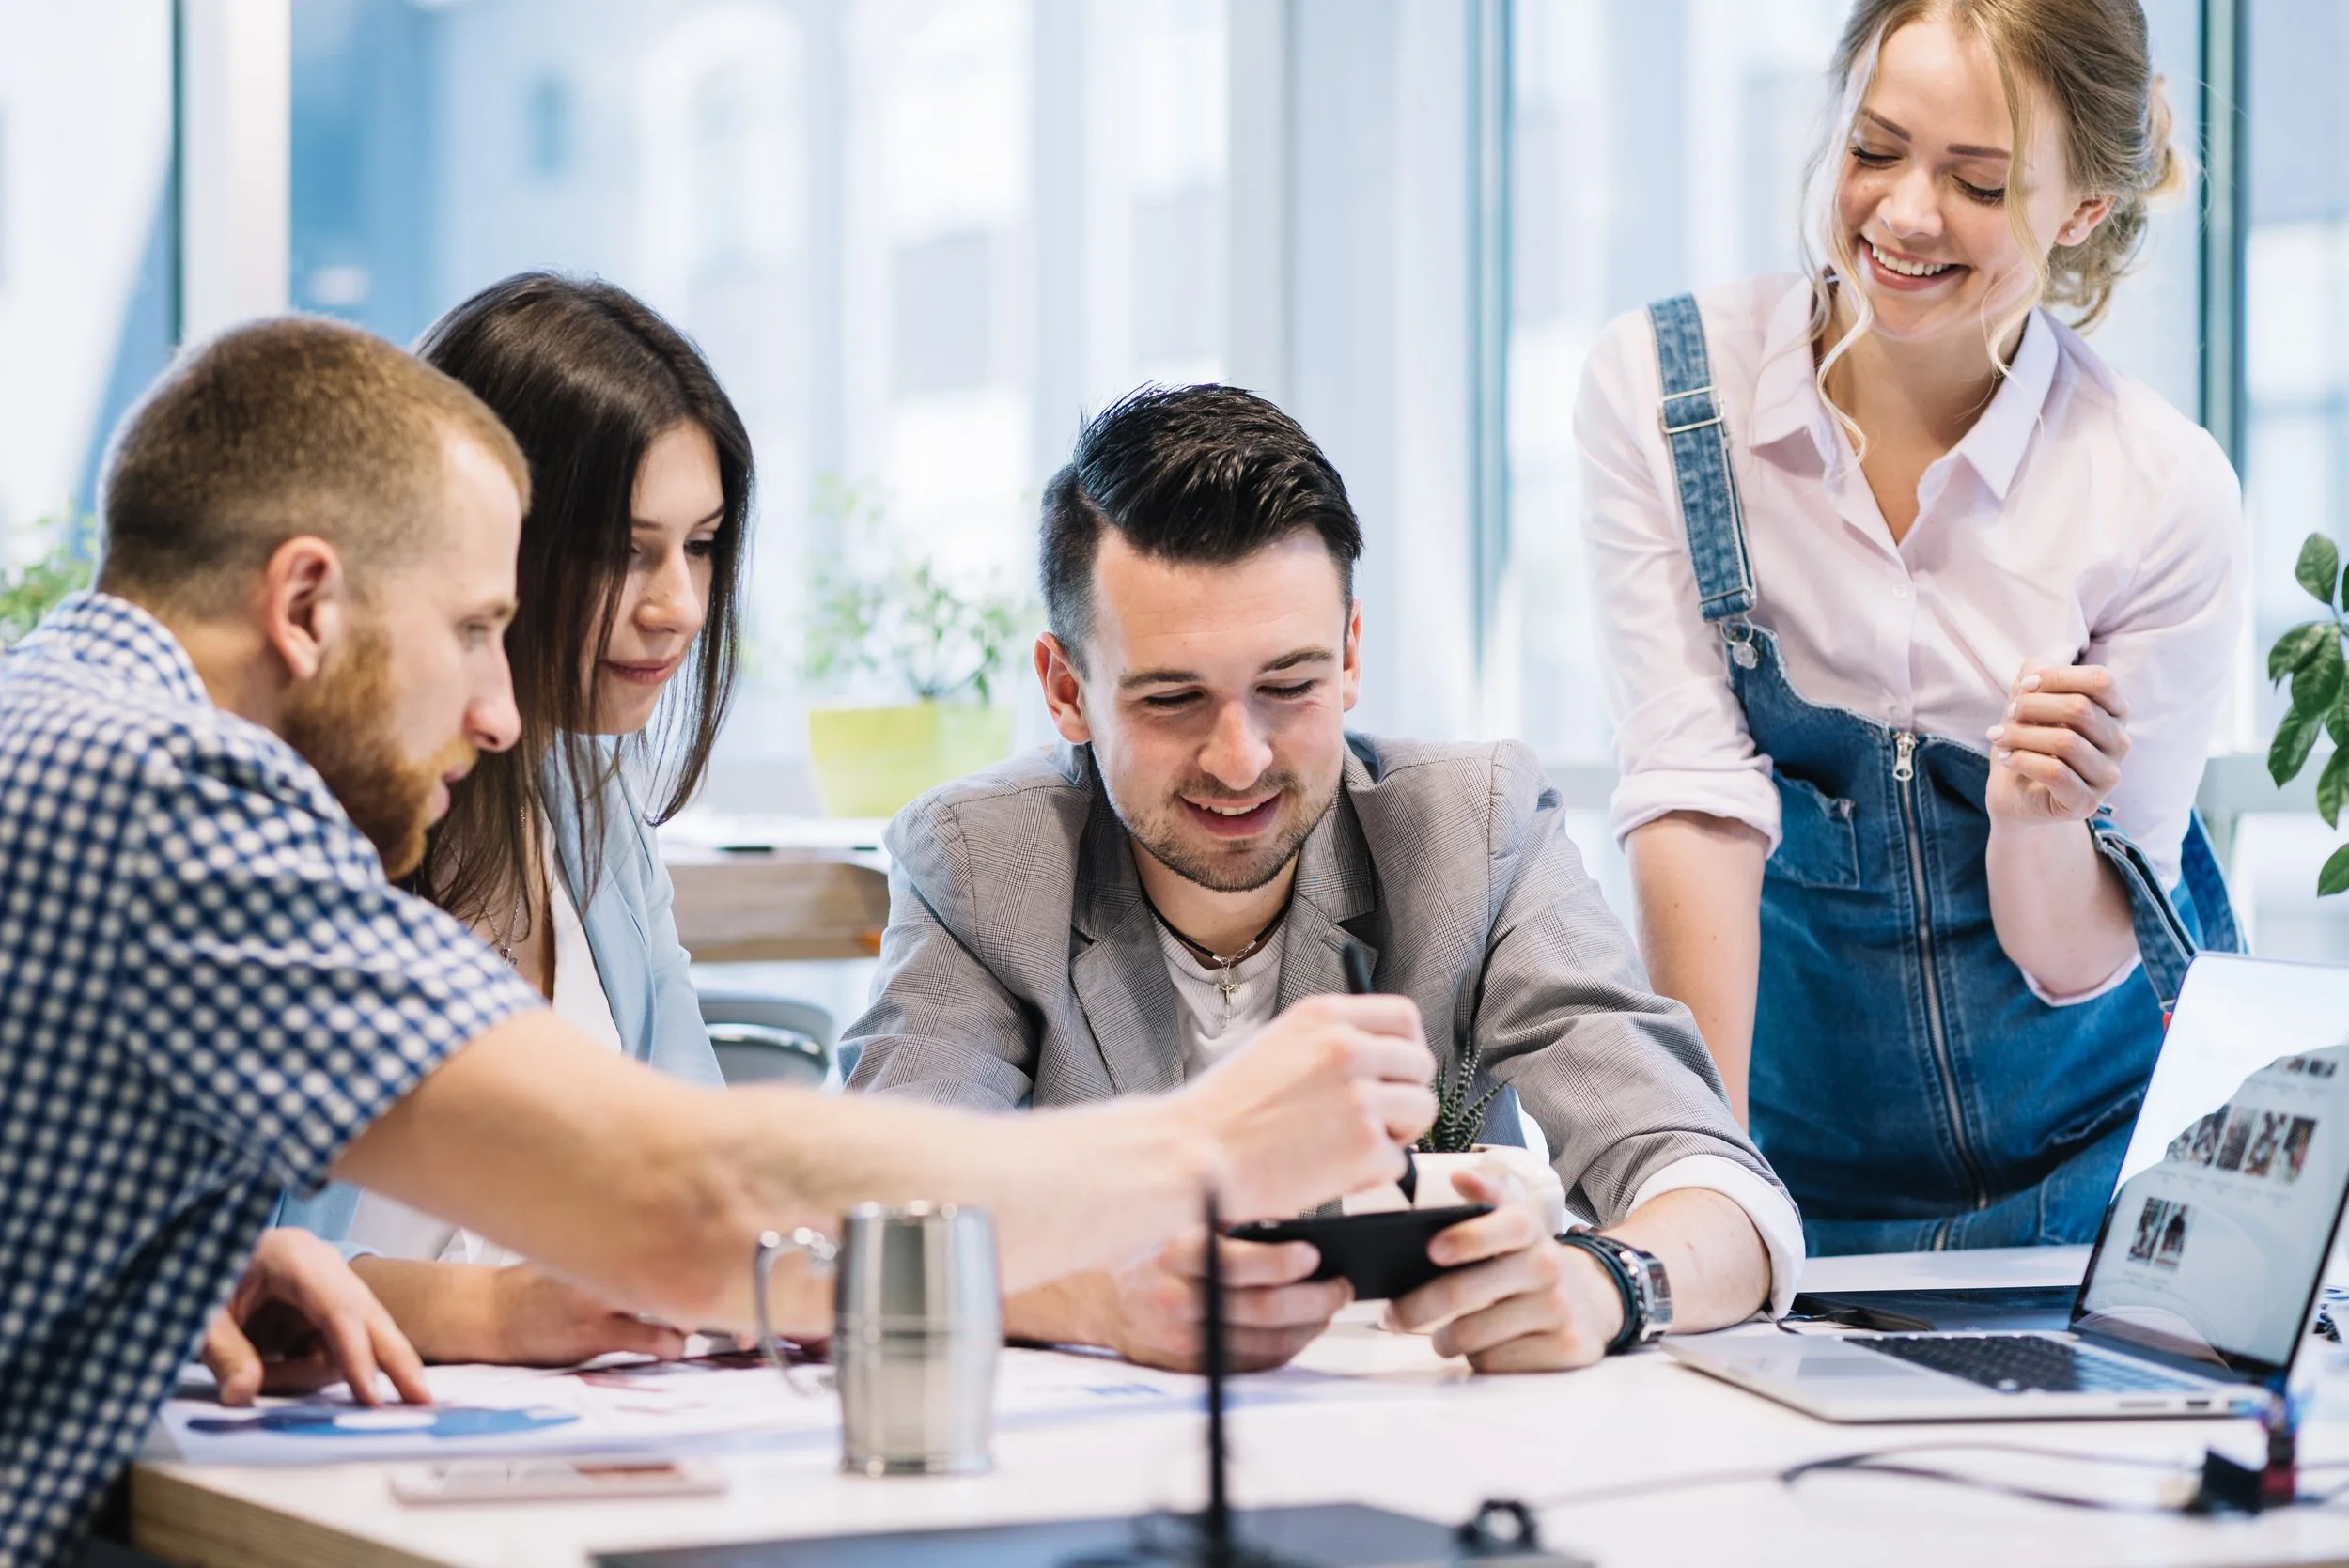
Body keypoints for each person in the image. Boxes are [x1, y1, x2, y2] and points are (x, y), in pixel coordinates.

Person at [0, 318, 1436, 1568]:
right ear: (306, 603)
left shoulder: (60, 724)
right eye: (475, 629)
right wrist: (1203, 1149)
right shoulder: (171, 783)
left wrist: (200, 1259)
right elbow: (690, 1194)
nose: (503, 711)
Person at [846, 384, 1797, 1375]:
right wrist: (1095, 1298)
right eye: (1173, 698)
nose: (1241, 758)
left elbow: (1719, 1185)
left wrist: (1604, 1283)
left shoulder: (1471, 829)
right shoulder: (979, 864)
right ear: (1065, 689)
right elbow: (881, 1224)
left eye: (1288, 687)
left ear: (1347, 657)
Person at [1576, 0, 2241, 1256]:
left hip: (2111, 1167)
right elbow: (1693, 799)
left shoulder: (2157, 490)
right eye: (1874, 149)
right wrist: (1706, 1197)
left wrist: (2038, 822)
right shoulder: (1672, 397)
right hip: (1796, 1165)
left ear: (2082, 209)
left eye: (1978, 181)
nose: (1904, 214)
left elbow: (2077, 957)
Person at [275, 274, 758, 1371]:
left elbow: (707, 1169)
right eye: (624, 550)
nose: (677, 604)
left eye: (703, 543)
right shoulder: (292, 826)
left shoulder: (593, 812)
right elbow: (201, 1261)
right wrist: (491, 1314)